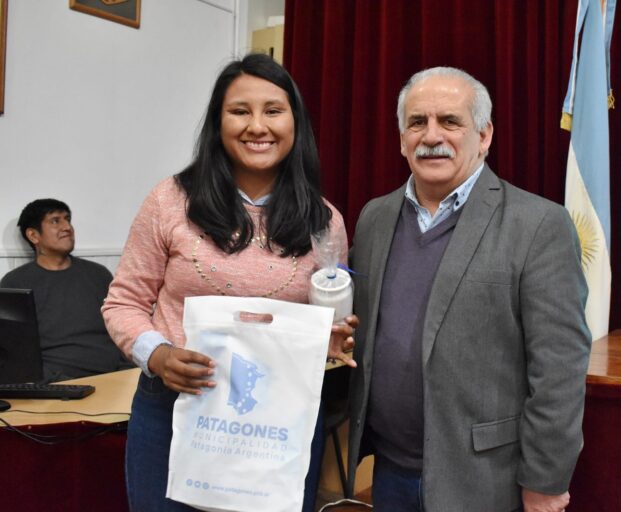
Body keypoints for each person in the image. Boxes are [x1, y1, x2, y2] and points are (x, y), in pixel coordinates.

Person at [101, 54, 356, 512]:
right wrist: (157, 355)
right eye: (240, 111)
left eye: (273, 111)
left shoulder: (325, 221)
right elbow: (122, 303)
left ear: (295, 123)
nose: (257, 126)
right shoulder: (169, 201)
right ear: (218, 122)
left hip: (277, 422)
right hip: (173, 410)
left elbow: (327, 323)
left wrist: (330, 338)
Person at [346, 67, 592, 512]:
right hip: (388, 473)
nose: (431, 135)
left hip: (486, 482)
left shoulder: (538, 225)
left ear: (484, 135)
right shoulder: (374, 218)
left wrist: (545, 479)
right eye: (417, 122)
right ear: (401, 138)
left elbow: (559, 370)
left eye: (451, 121)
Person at [0, 199, 133, 382]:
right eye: (55, 221)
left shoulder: (98, 274)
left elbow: (123, 326)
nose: (67, 227)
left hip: (112, 376)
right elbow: (14, 350)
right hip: (53, 383)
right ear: (33, 235)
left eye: (67, 219)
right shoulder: (15, 283)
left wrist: (126, 370)